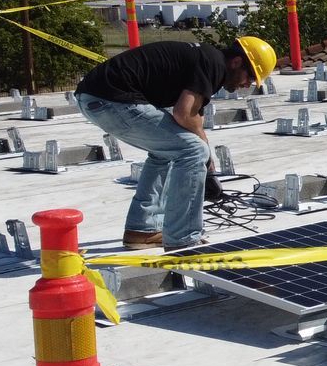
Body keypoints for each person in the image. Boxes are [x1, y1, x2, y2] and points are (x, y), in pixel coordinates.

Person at [75, 36, 275, 249]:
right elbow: (184, 114)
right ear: (236, 62)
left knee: (169, 151)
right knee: (192, 150)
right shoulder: (213, 64)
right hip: (113, 100)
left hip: (98, 98)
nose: (247, 85)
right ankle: (183, 237)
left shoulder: (207, 59)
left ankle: (143, 230)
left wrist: (208, 164)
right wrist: (203, 156)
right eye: (250, 77)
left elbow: (194, 118)